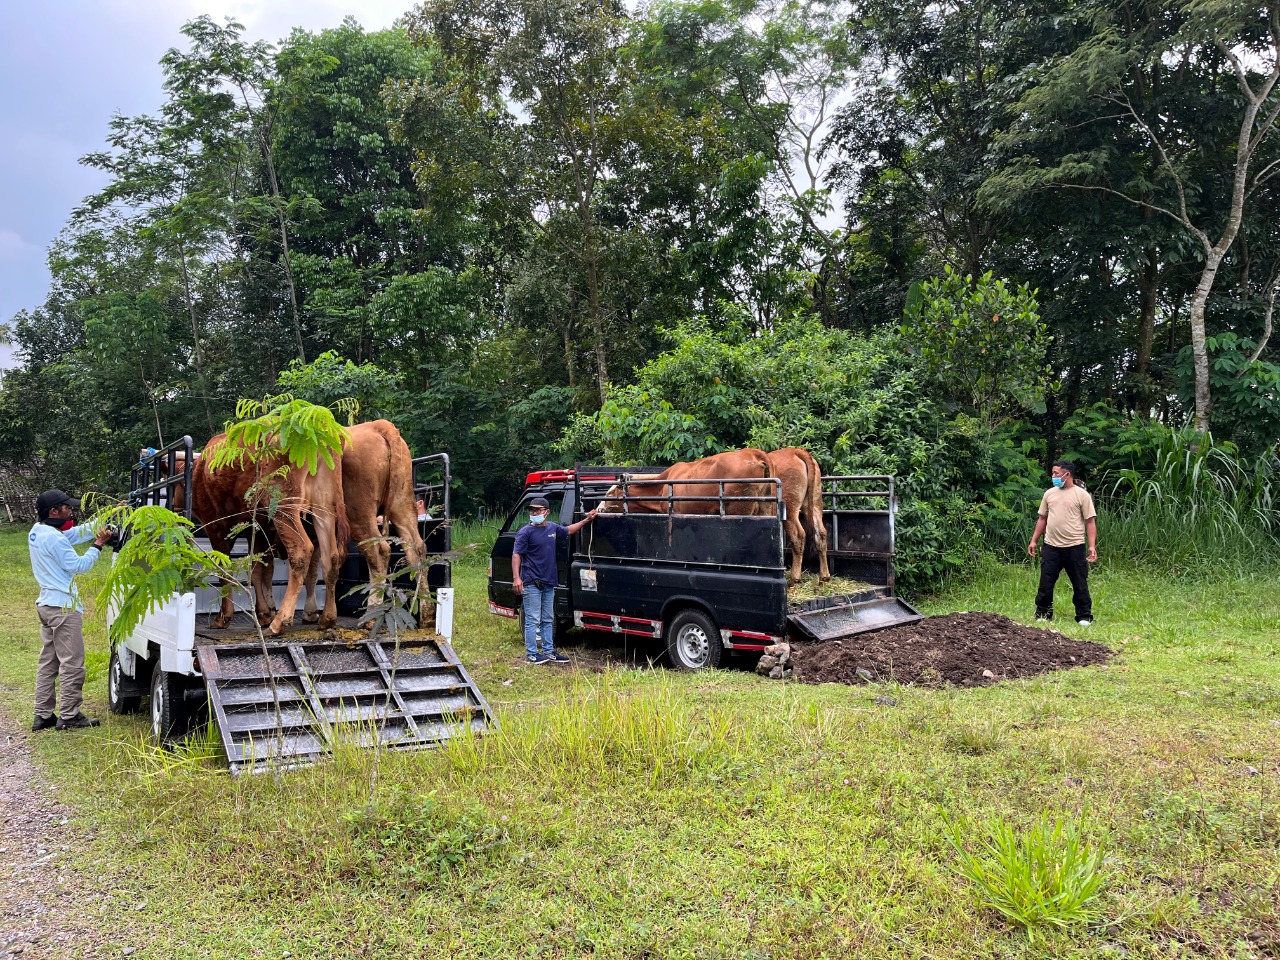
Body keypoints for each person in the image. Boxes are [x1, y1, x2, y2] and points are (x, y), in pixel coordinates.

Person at [28, 489, 113, 731]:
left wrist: (108, 516)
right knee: (73, 662)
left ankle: (43, 714)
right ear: (54, 511)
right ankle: (69, 715)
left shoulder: (38, 531)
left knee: (49, 662)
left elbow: (75, 533)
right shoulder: (54, 539)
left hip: (46, 605)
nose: (70, 511)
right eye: (67, 507)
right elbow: (79, 565)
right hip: (63, 608)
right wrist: (98, 545)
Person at [513, 497, 598, 664]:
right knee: (532, 619)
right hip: (532, 582)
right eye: (532, 511)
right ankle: (531, 654)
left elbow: (568, 530)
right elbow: (516, 555)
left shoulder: (552, 528)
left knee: (547, 619)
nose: (534, 513)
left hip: (549, 582)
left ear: (547, 512)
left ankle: (549, 651)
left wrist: (587, 520)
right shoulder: (525, 532)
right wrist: (517, 578)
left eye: (538, 510)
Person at [1027, 460, 1098, 625]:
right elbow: (1042, 518)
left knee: (1080, 583)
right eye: (1053, 473)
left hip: (1075, 546)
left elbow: (1090, 521)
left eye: (1056, 473)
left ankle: (1084, 616)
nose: (1053, 476)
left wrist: (1092, 546)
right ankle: (1043, 613)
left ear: (1067, 474)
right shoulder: (1049, 494)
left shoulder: (1081, 495)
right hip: (1051, 546)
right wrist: (1034, 540)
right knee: (1046, 582)